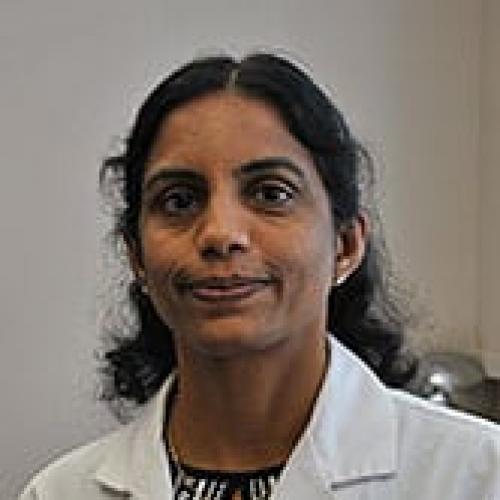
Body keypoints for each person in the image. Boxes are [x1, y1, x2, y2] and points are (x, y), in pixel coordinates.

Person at [20, 52, 499, 500]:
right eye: (179, 200)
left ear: (346, 245)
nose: (220, 233)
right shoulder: (59, 492)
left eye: (271, 193)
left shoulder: (476, 474)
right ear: (137, 256)